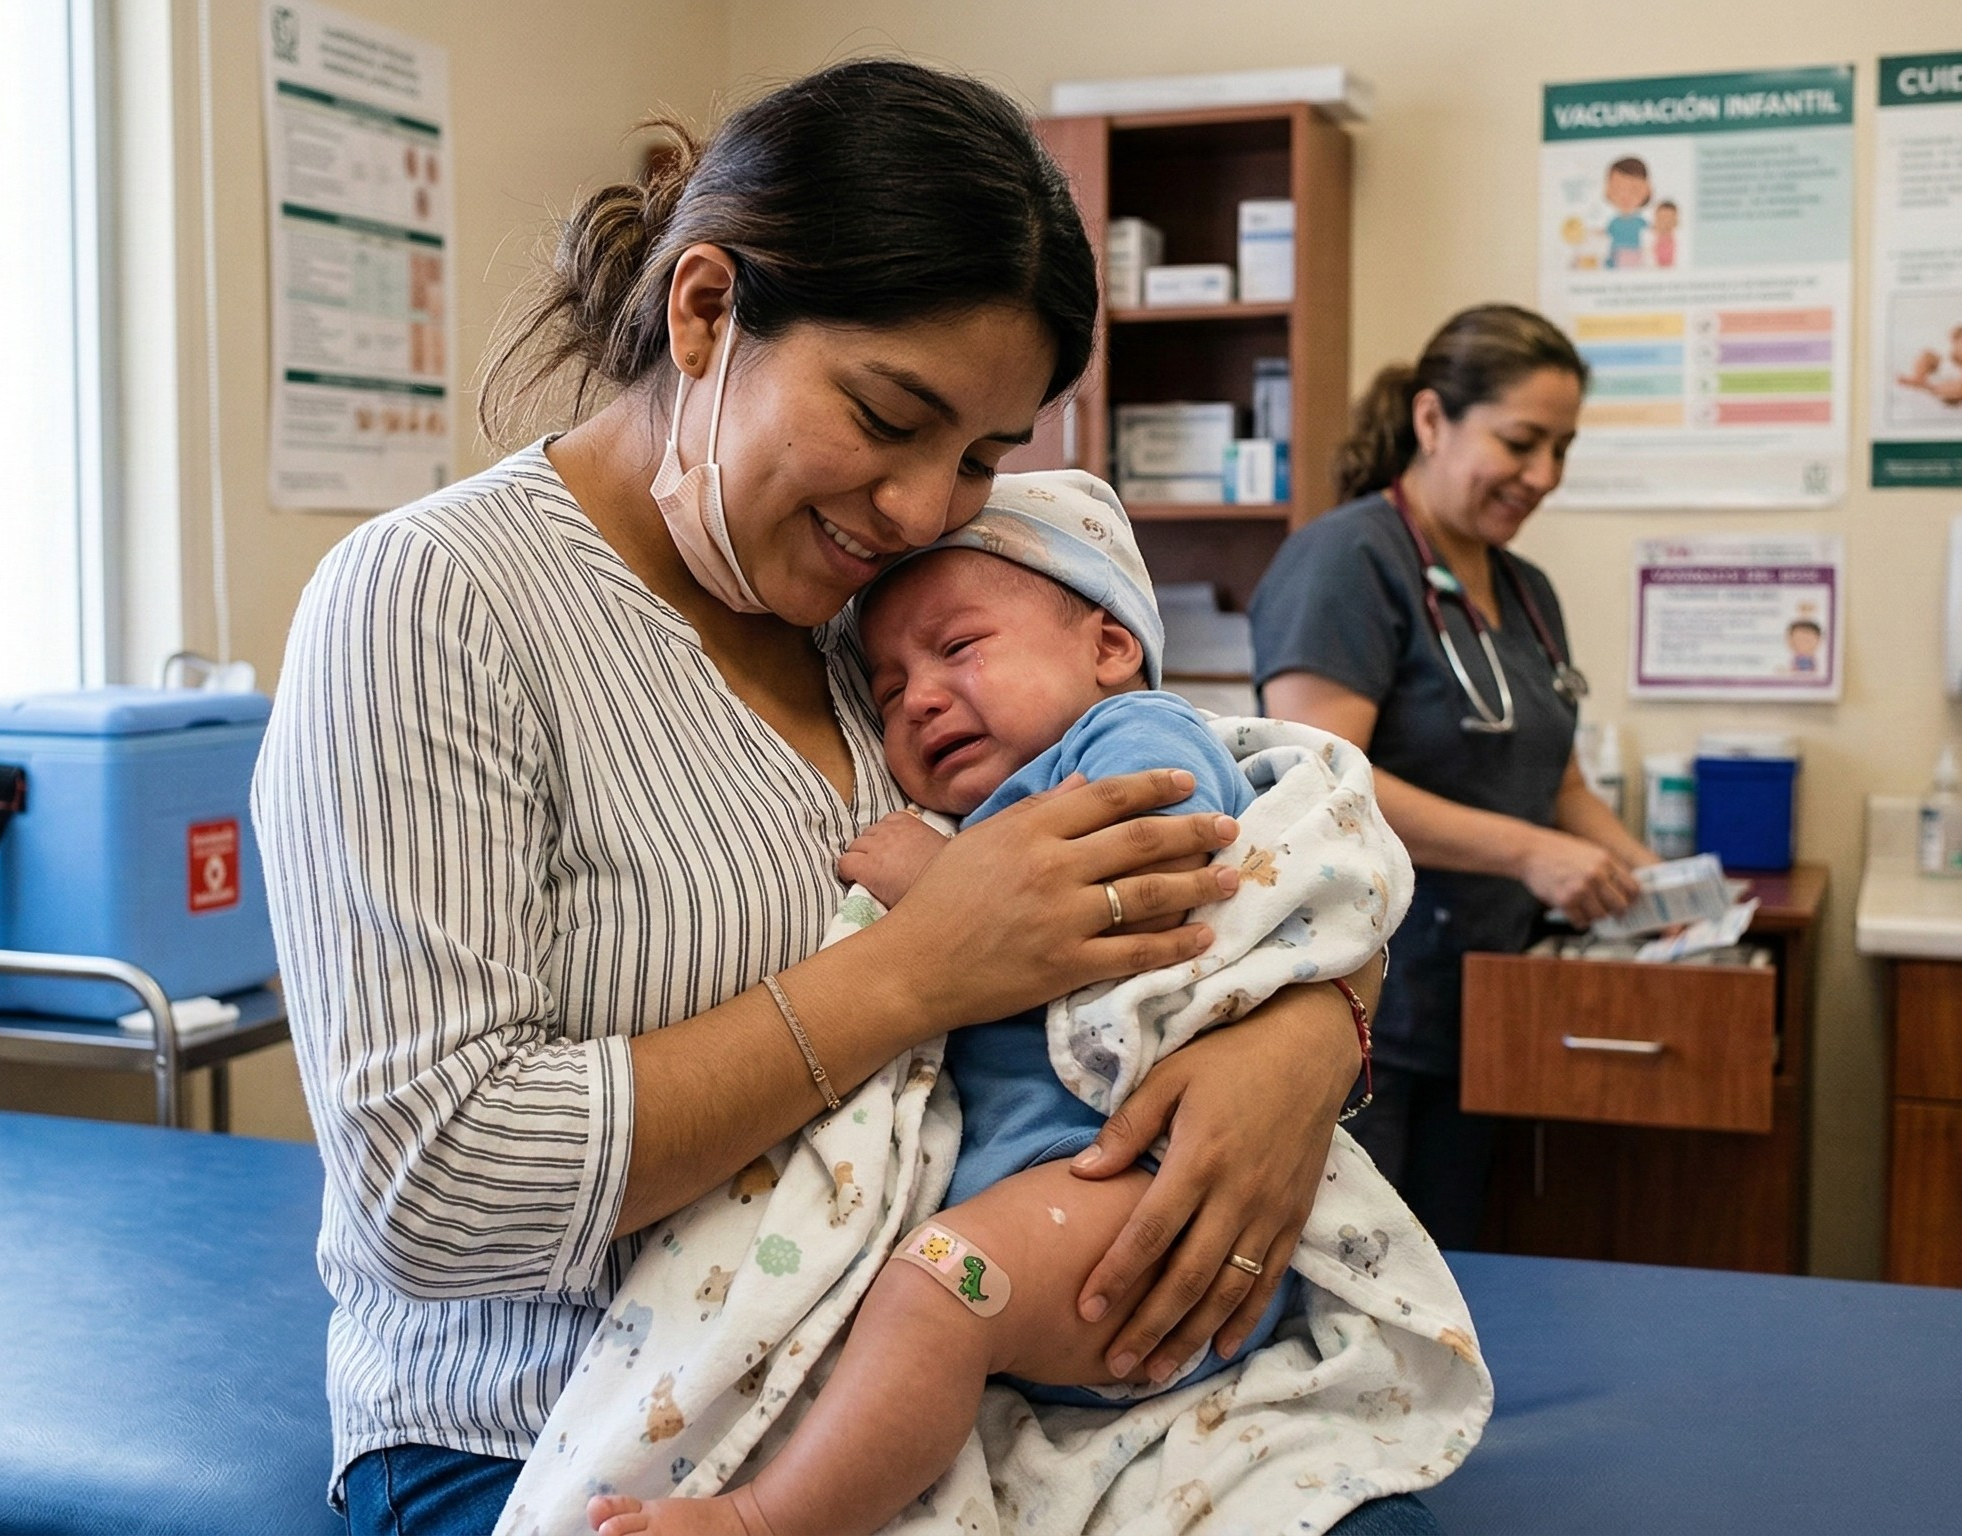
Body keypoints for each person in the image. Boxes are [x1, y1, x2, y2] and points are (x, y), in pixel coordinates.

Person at [252, 59, 1415, 1536]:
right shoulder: (434, 603)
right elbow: (434, 1187)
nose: (924, 507)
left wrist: (1310, 1037)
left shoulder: (902, 616)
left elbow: (1261, 819)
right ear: (704, 312)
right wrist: (917, 973)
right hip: (557, 1441)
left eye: (984, 457)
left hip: (951, 1411)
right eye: (888, 416)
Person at [589, 470, 1421, 1536]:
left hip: (1142, 1197)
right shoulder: (986, 798)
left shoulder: (1133, 744)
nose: (920, 696)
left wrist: (930, 888)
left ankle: (766, 1523)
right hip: (1051, 1214)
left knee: (933, 1292)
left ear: (1107, 649)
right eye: (887, 692)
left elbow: (1141, 915)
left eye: (958, 648)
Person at [1246, 304, 1661, 1250]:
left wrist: (1655, 883)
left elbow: (1557, 787)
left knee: (1464, 1271)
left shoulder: (1524, 591)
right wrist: (1530, 855)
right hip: (1366, 999)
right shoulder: (1347, 560)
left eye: (1561, 448)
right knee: (1366, 1279)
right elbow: (1320, 777)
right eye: (1521, 442)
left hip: (1492, 1005)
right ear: (1432, 421)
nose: (1544, 476)